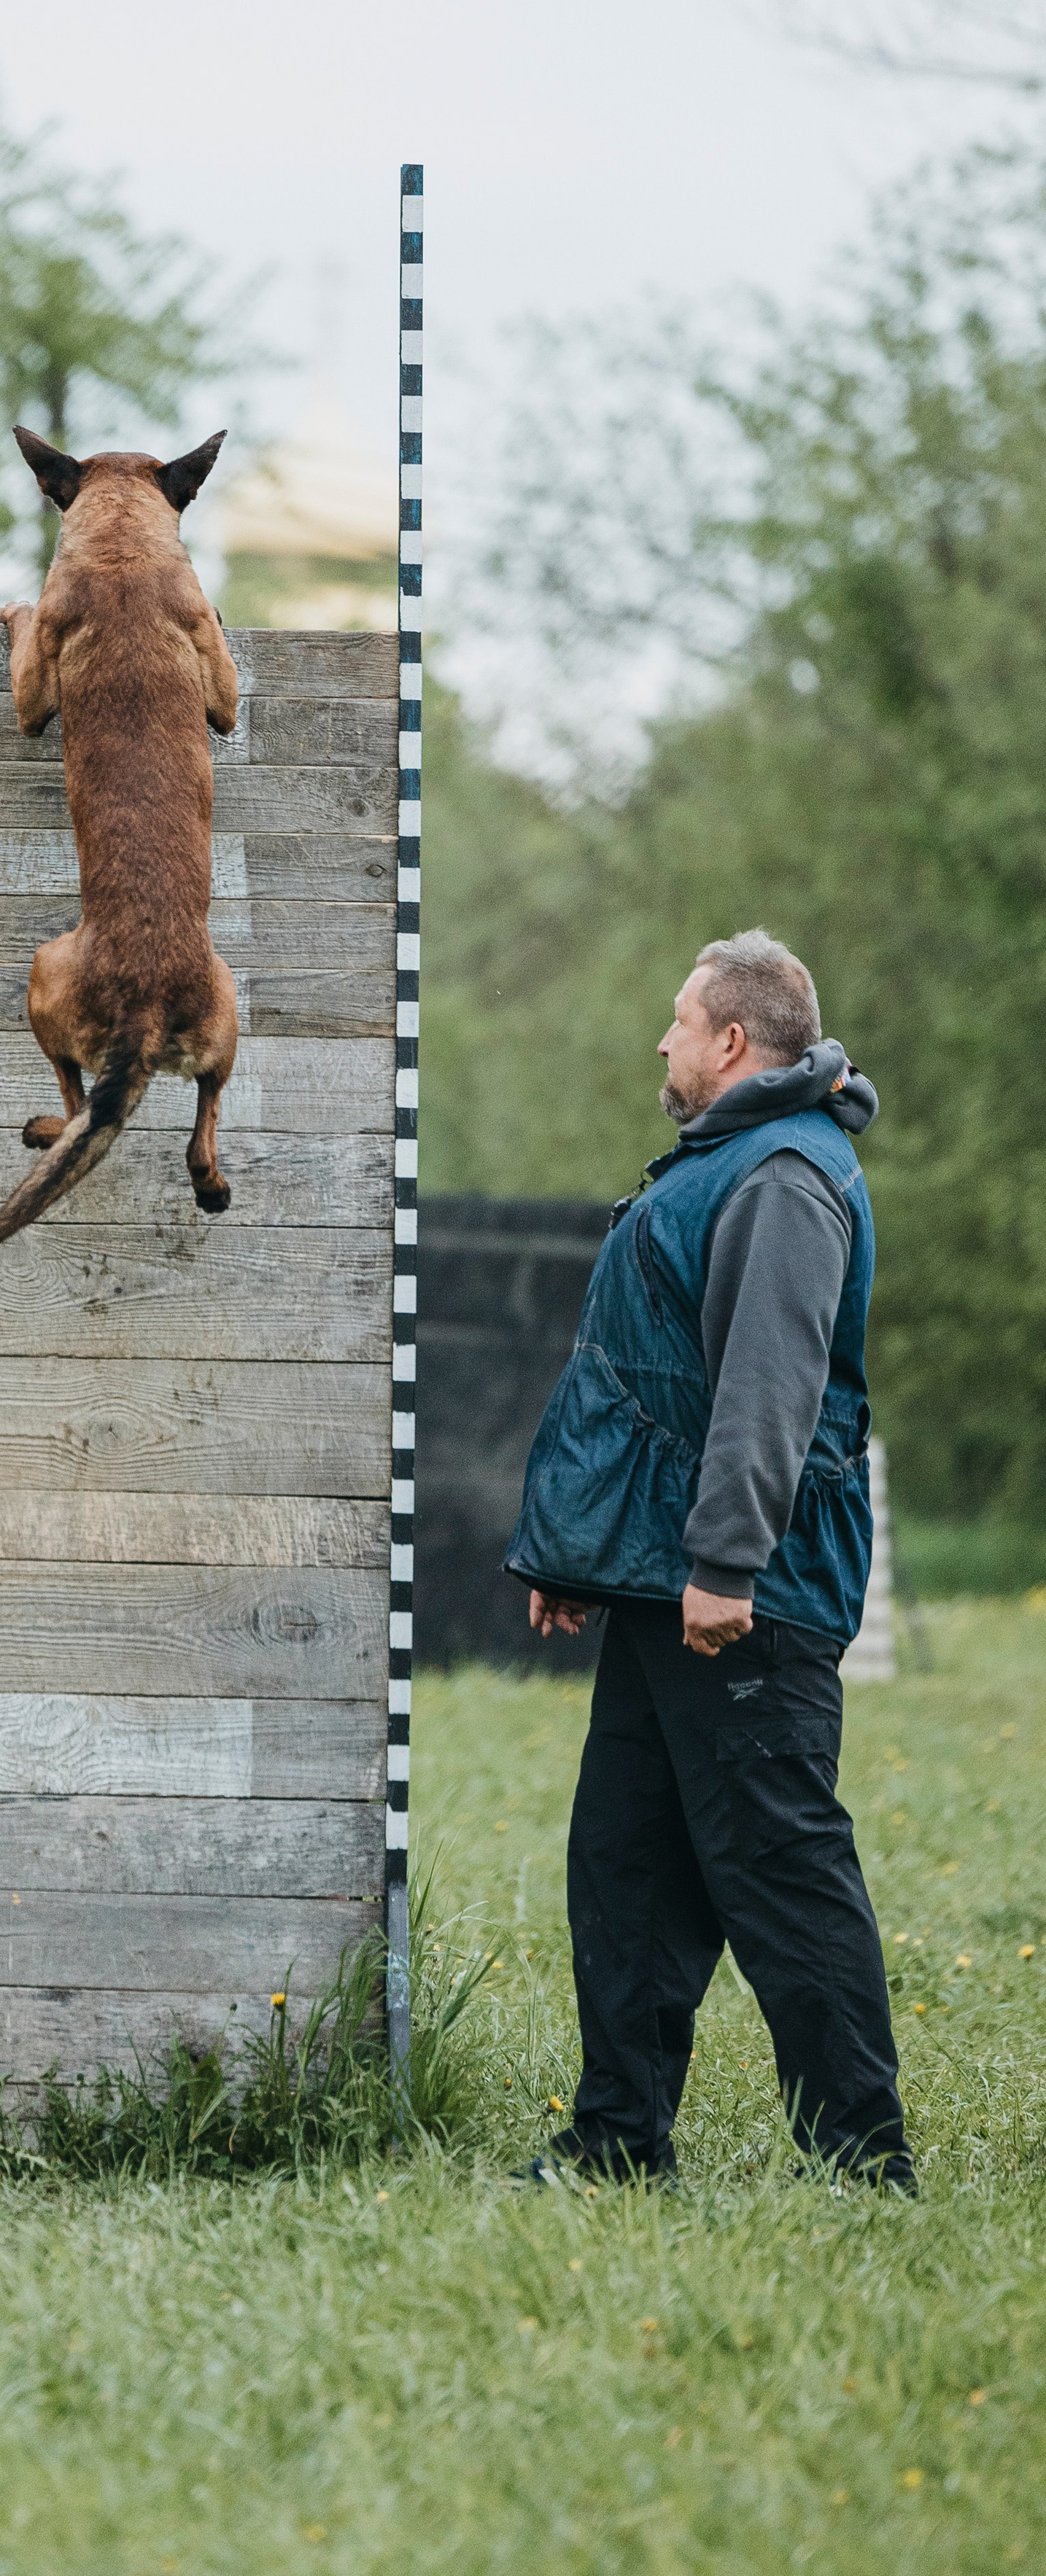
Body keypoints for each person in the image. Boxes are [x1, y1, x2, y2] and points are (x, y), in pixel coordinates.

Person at [504, 930, 911, 2190]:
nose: (664, 1043)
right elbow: (652, 1382)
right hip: (665, 1583)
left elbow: (767, 1390)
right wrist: (590, 1556)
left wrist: (728, 1565)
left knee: (781, 1869)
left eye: (679, 1022)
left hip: (746, 1597)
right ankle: (619, 2140)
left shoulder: (785, 1177)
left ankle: (861, 2161)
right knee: (624, 1868)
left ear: (733, 1039)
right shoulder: (731, 1162)